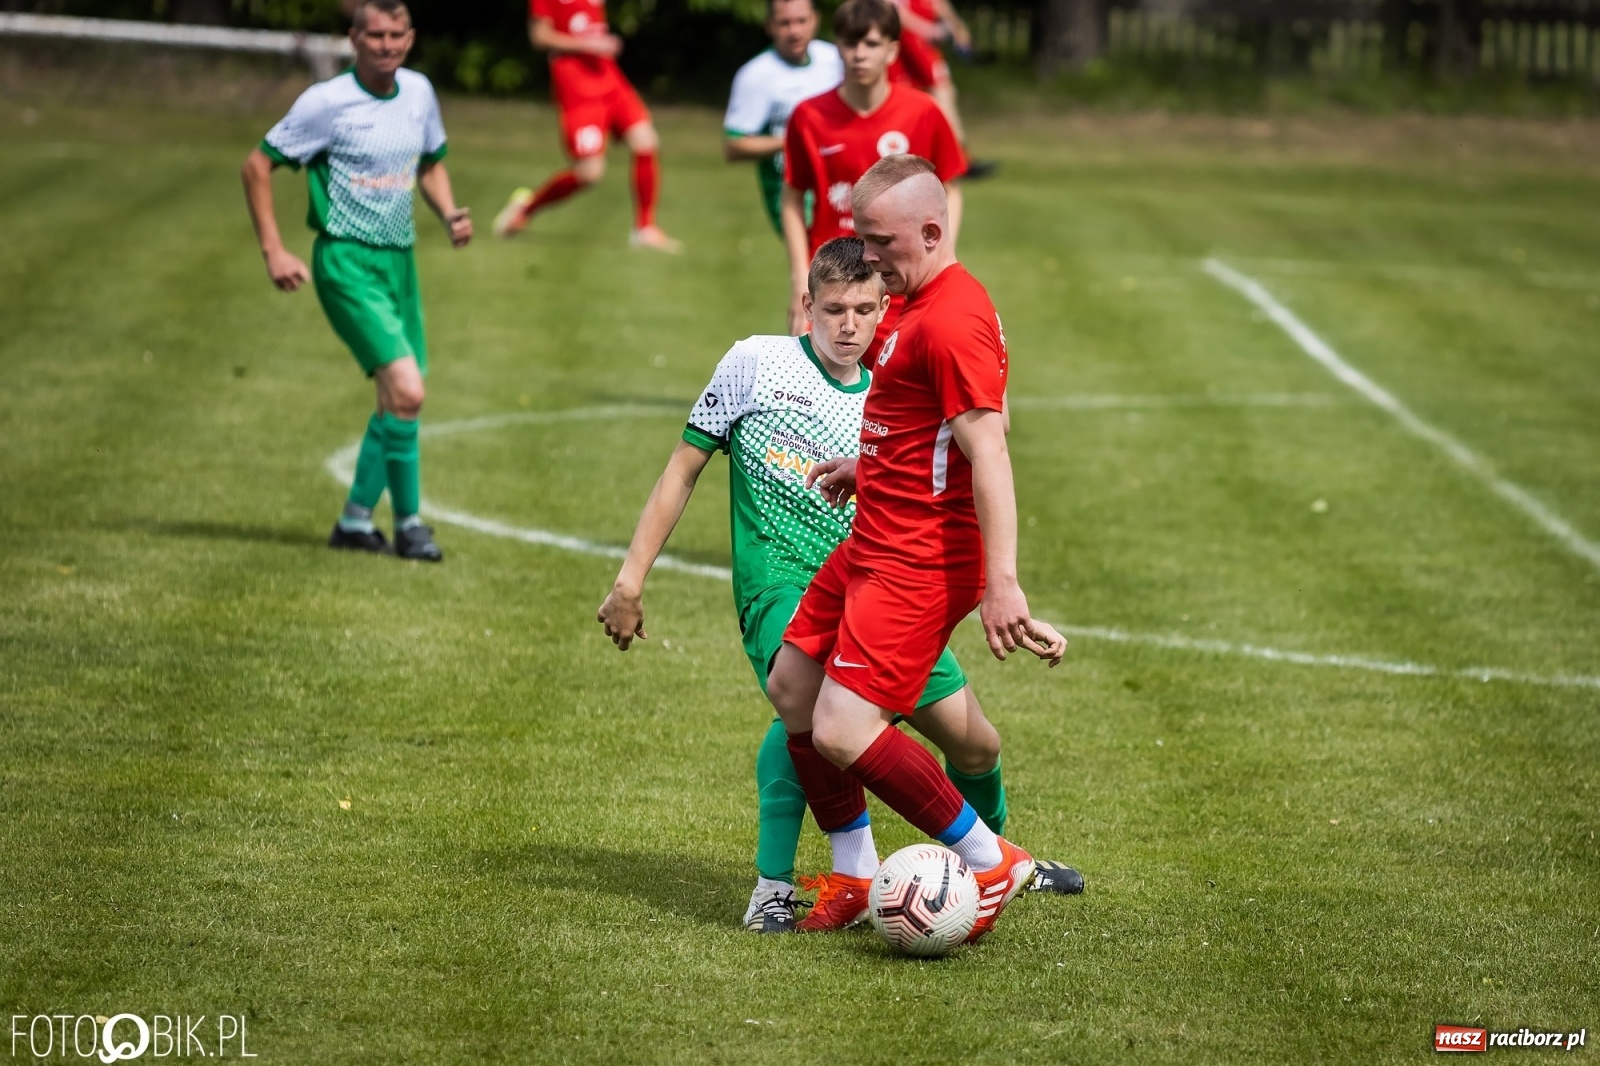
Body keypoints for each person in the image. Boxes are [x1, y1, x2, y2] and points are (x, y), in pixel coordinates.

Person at [596, 238, 1079, 934]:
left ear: (886, 308)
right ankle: (792, 882)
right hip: (785, 589)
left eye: (863, 309)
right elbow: (681, 470)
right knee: (803, 703)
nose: (848, 324)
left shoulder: (897, 384)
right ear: (806, 306)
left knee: (976, 745)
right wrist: (629, 580)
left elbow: (964, 464)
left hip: (879, 584)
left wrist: (997, 584)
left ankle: (993, 863)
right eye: (833, 310)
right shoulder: (754, 365)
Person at [766, 155, 1067, 944]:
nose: (865, 257)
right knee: (794, 687)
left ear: (931, 233)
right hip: (874, 538)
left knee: (840, 728)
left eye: (877, 242)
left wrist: (1003, 582)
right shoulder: (915, 301)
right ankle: (860, 872)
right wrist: (869, 465)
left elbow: (990, 451)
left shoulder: (952, 317)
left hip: (919, 560)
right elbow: (926, 426)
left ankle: (990, 860)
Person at [241, 0, 469, 561]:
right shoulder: (326, 103)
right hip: (344, 261)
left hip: (400, 261)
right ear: (354, 38)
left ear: (410, 38)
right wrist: (274, 250)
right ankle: (411, 523)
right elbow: (257, 165)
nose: (386, 45)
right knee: (409, 388)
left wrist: (448, 212)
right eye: (375, 35)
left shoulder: (419, 93)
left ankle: (355, 522)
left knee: (398, 400)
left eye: (396, 35)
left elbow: (431, 162)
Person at [781, 0, 965, 342]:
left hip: (901, 278)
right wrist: (799, 277)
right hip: (832, 281)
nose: (860, 54)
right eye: (851, 43)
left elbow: (950, 188)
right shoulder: (808, 116)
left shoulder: (924, 112)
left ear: (892, 50)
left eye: (871, 43)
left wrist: (940, 256)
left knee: (903, 390)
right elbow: (792, 199)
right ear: (838, 48)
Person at [491, 0, 680, 251]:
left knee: (646, 140)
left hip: (607, 74)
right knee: (590, 173)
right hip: (577, 86)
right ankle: (526, 208)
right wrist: (585, 44)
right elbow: (539, 37)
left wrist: (604, 43)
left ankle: (645, 229)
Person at [722, 0, 842, 237]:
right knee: (824, 264)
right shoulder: (756, 75)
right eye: (784, 23)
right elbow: (734, 146)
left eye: (801, 21)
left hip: (840, 181)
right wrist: (795, 141)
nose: (794, 31)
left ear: (815, 20)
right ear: (770, 26)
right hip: (791, 190)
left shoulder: (835, 59)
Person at [887, 0, 994, 177]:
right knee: (936, 94)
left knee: (940, 93)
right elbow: (895, 9)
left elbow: (940, 5)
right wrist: (929, 29)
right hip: (910, 40)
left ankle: (956, 157)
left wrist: (956, 26)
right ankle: (957, 159)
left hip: (921, 41)